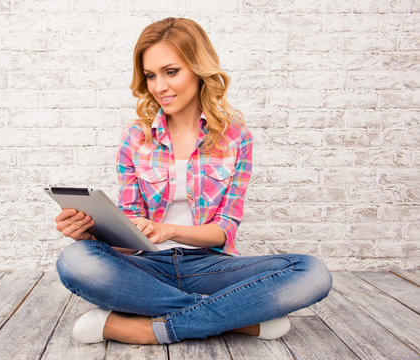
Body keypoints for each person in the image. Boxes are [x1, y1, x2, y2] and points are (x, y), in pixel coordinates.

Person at [54, 17, 332, 345]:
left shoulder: (236, 138)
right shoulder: (135, 139)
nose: (159, 87)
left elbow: (225, 229)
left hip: (212, 267)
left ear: (199, 70)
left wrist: (171, 230)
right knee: (75, 260)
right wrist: (91, 233)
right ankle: (237, 320)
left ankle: (147, 327)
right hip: (146, 268)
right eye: (151, 76)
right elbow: (130, 230)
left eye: (171, 72)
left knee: (312, 273)